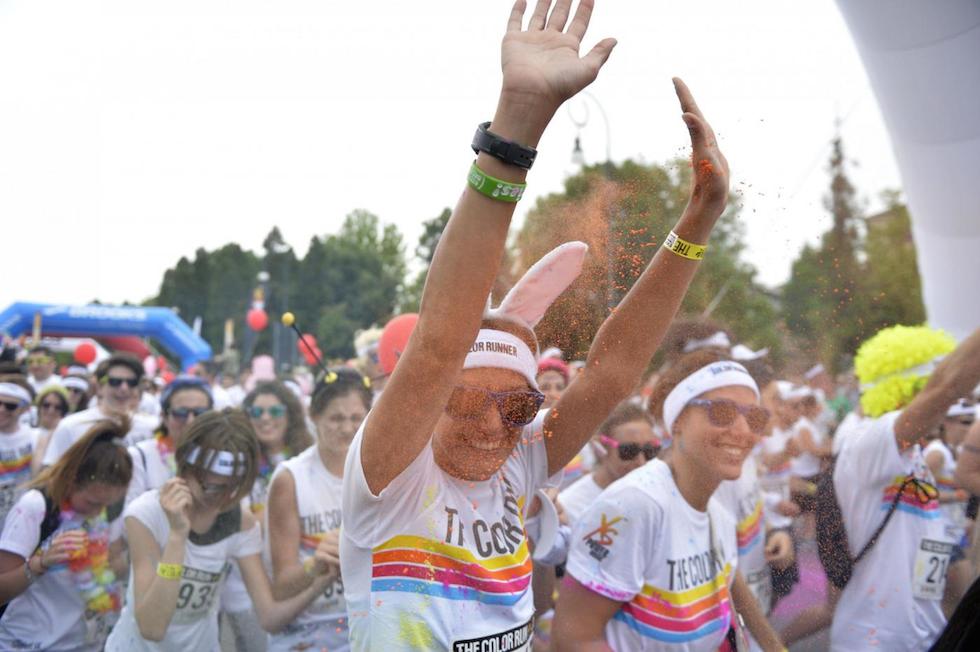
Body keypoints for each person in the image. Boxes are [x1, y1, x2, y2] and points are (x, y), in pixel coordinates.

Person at [341, 3, 741, 649]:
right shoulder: (391, 476)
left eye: (517, 406)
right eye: (466, 400)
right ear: (428, 398)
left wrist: (698, 221)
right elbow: (439, 345)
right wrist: (515, 130)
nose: (493, 425)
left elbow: (610, 373)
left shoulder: (517, 465)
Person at [553, 351, 785, 651]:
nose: (742, 431)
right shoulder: (634, 505)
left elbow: (733, 594)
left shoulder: (718, 516)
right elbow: (572, 638)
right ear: (678, 422)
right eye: (722, 412)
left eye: (754, 418)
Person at [105, 410, 329, 651]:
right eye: (210, 487)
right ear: (187, 469)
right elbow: (152, 627)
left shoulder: (238, 521)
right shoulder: (147, 513)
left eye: (234, 487)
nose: (222, 498)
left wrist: (320, 576)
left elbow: (269, 617)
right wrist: (177, 537)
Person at [830, 325, 980, 651]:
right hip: (875, 639)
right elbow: (947, 386)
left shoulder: (915, 455)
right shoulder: (866, 443)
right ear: (905, 390)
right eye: (924, 389)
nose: (946, 408)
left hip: (922, 633)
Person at [0, 418, 132, 650]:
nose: (99, 511)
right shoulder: (35, 507)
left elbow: (115, 567)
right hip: (27, 644)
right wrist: (40, 564)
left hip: (85, 644)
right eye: (92, 502)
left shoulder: (106, 511)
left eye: (107, 504)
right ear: (71, 480)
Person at [267, 368, 373, 651]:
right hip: (309, 629)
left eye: (356, 418)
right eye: (336, 418)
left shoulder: (377, 473)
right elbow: (281, 586)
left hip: (367, 623)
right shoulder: (291, 479)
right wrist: (316, 564)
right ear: (314, 416)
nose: (347, 428)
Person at [220, 381, 313, 652]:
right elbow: (239, 523)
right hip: (247, 588)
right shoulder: (235, 463)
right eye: (256, 412)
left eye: (275, 411)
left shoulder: (308, 460)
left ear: (290, 415)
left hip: (299, 575)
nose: (265, 419)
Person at [42, 353, 157, 467]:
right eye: (115, 382)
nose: (124, 388)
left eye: (131, 383)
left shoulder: (151, 427)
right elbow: (52, 469)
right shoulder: (71, 425)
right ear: (99, 387)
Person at [557, 401, 659, 525]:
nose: (642, 462)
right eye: (629, 451)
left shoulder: (659, 497)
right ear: (600, 448)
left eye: (650, 450)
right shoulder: (569, 507)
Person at [923, 399, 975, 617]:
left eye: (972, 422)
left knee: (948, 605)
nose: (970, 428)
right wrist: (956, 496)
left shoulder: (957, 451)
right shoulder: (937, 453)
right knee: (949, 603)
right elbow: (916, 493)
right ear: (947, 423)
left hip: (954, 533)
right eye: (965, 422)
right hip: (936, 536)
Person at [0, 377, 39, 528]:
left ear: (24, 409)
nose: (2, 409)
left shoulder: (35, 437)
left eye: (10, 406)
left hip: (19, 520)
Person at [30, 384, 70, 476]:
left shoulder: (65, 436)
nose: (51, 410)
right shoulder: (28, 433)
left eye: (57, 407)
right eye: (46, 405)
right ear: (39, 407)